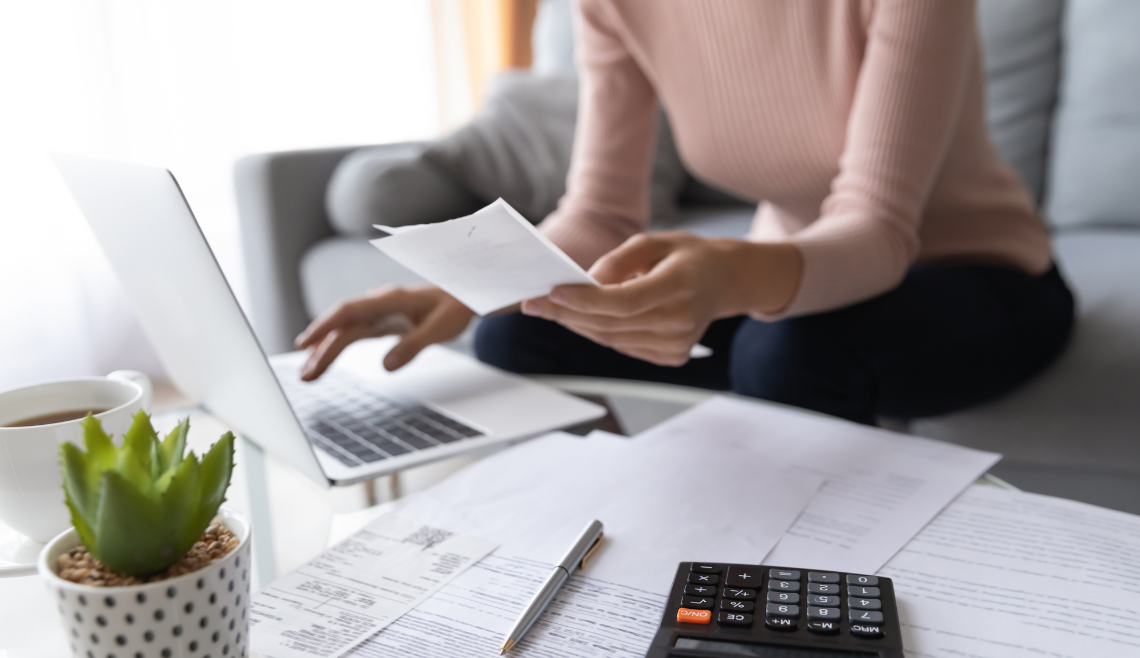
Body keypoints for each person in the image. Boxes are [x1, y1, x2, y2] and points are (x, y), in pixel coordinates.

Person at [296, 1, 1074, 425]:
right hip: (793, 283)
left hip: (981, 276)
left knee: (785, 356)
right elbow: (599, 212)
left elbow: (878, 227)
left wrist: (733, 273)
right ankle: (616, 546)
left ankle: (794, 612)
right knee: (518, 330)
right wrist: (464, 287)